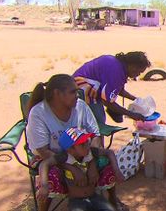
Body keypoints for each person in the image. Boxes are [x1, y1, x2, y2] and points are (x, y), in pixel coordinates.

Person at [26, 74, 125, 211]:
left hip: (84, 153)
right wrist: (71, 166)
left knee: (106, 164)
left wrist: (91, 163)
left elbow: (95, 135)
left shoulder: (81, 106)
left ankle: (113, 201)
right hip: (51, 157)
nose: (77, 95)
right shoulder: (39, 113)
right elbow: (42, 151)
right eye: (73, 92)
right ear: (57, 94)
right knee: (51, 176)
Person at [37, 127, 125, 211]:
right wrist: (44, 186)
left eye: (87, 142)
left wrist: (117, 172)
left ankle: (113, 203)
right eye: (82, 144)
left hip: (94, 197)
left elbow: (109, 153)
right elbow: (44, 164)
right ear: (71, 150)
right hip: (77, 201)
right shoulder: (65, 157)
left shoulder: (91, 152)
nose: (87, 146)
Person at [73, 51, 151, 124]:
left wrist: (136, 99)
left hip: (81, 85)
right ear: (133, 66)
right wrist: (131, 114)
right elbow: (107, 101)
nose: (138, 74)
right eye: (139, 71)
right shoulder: (116, 71)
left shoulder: (118, 66)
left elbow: (119, 90)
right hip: (81, 88)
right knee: (98, 122)